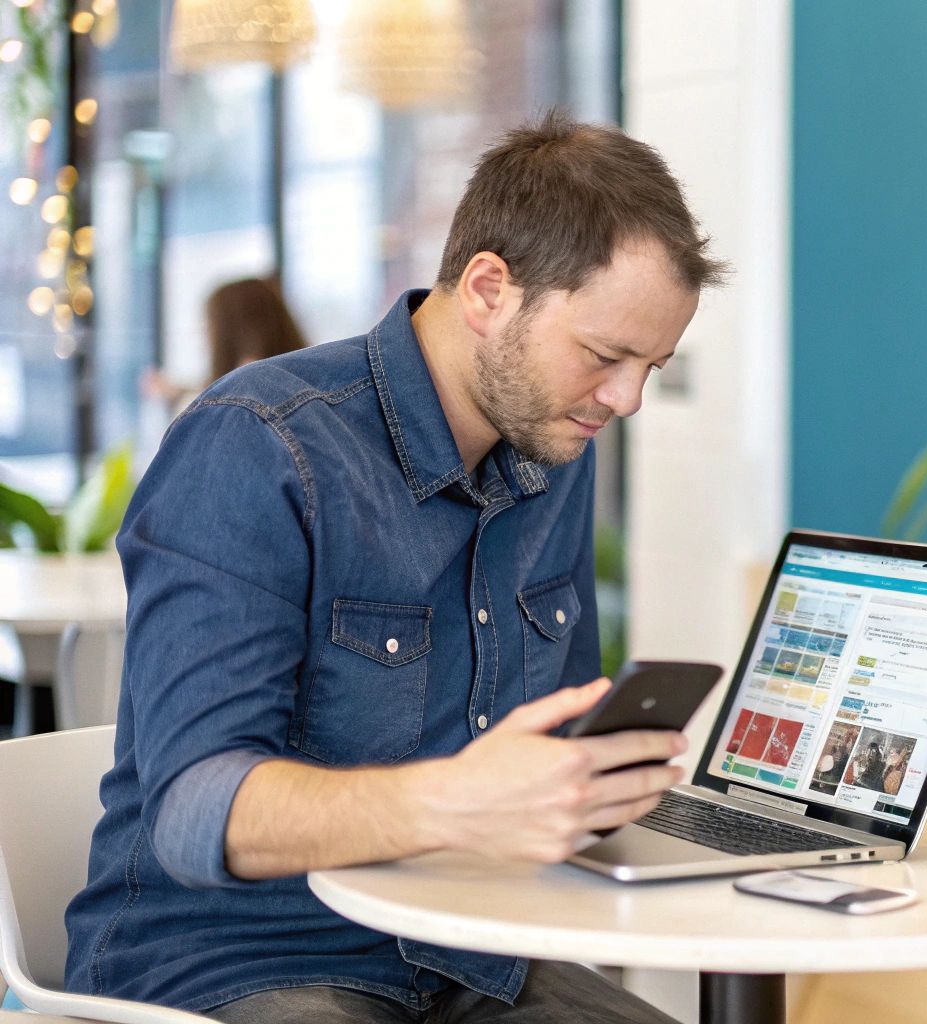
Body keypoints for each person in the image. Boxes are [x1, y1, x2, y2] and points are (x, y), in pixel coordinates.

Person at [63, 113, 728, 1023]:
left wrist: (592, 787)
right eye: (606, 357)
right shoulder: (259, 444)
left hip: (470, 955)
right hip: (236, 959)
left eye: (651, 365)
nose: (627, 400)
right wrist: (458, 802)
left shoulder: (555, 450)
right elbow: (190, 811)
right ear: (490, 288)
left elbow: (545, 753)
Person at [141, 276, 309, 412]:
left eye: (208, 327)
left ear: (228, 332)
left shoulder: (238, 397)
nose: (204, 340)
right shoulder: (302, 380)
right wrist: (177, 391)